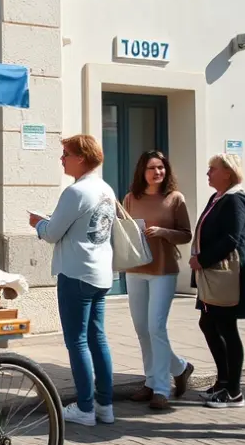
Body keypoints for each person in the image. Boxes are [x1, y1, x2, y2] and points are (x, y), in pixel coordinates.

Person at [30, 134, 116, 427]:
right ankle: (105, 404)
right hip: (101, 271)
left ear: (81, 157)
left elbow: (52, 233)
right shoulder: (106, 189)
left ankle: (84, 407)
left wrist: (38, 224)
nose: (62, 158)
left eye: (66, 153)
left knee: (77, 341)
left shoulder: (76, 192)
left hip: (76, 271)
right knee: (97, 337)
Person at [122, 151, 195, 410]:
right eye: (152, 168)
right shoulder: (131, 198)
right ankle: (161, 376)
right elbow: (123, 231)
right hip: (135, 269)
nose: (157, 172)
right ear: (143, 171)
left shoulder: (175, 199)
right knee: (142, 329)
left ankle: (162, 389)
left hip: (163, 270)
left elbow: (186, 235)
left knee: (156, 327)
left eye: (161, 168)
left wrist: (164, 232)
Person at [191, 153, 245, 409]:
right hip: (211, 275)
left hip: (225, 275)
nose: (208, 173)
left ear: (227, 172)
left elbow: (230, 238)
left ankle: (234, 391)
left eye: (212, 169)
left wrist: (203, 259)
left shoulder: (234, 200)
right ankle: (223, 381)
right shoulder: (217, 197)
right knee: (208, 323)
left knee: (227, 329)